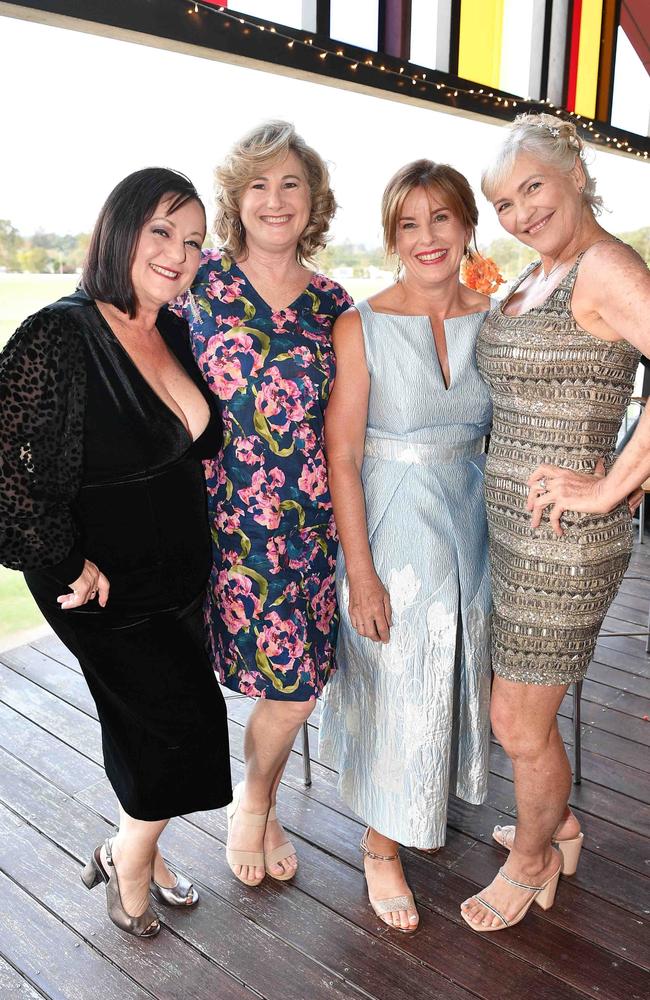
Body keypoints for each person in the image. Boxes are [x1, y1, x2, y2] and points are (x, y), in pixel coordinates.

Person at [0, 168, 232, 938]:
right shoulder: (59, 336)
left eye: (194, 241)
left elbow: (188, 441)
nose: (179, 253)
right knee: (181, 725)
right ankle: (127, 858)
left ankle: (145, 845)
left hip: (175, 575)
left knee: (142, 722)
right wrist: (67, 562)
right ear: (120, 229)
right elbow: (7, 476)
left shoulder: (165, 324)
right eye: (162, 231)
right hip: (99, 582)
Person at [462, 113, 649, 933]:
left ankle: (533, 859)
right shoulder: (541, 272)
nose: (520, 212)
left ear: (574, 170)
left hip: (564, 542)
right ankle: (559, 826)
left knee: (517, 720)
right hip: (510, 531)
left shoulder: (604, 267)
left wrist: (610, 486)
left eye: (531, 188)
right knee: (521, 714)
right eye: (503, 202)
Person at [172, 121, 352, 886]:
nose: (274, 199)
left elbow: (350, 430)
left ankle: (253, 800)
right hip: (214, 518)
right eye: (258, 184)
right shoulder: (196, 282)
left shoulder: (335, 304)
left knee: (299, 681)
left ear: (312, 200)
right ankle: (266, 803)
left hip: (308, 526)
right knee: (230, 676)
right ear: (234, 198)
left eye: (290, 184)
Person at [319, 160, 497, 933]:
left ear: (466, 226)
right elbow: (344, 457)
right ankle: (380, 843)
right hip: (392, 518)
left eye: (441, 219)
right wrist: (360, 573)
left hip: (476, 515)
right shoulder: (361, 324)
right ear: (393, 236)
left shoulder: (497, 316)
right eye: (408, 224)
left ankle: (438, 799)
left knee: (459, 666)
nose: (427, 238)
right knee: (400, 677)